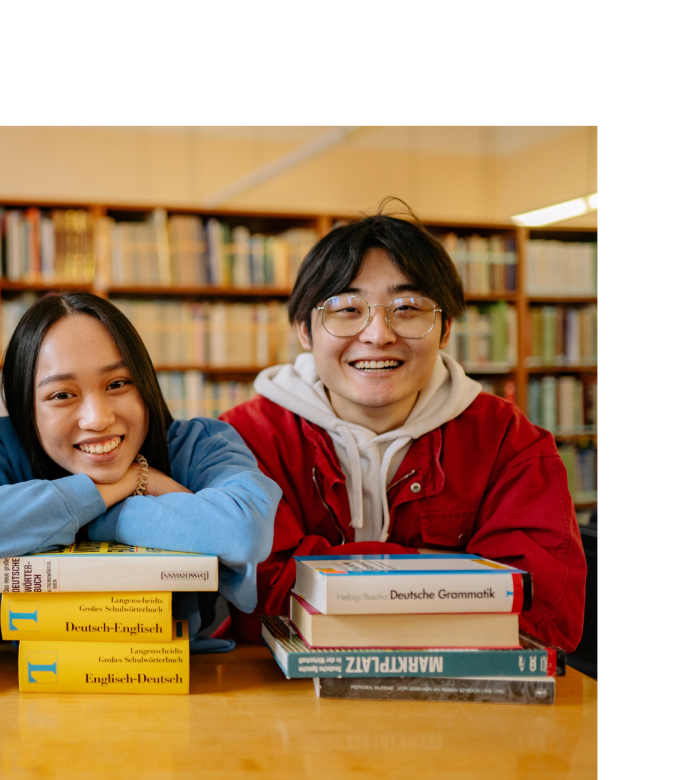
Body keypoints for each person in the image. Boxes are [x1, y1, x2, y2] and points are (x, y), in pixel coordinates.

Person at [220, 203, 586, 652]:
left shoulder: (509, 443)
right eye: (346, 308)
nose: (377, 334)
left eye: (408, 308)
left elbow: (539, 615)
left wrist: (329, 577)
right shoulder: (242, 440)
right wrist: (447, 573)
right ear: (305, 331)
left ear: (445, 328)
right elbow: (249, 599)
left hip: (463, 707)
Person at [0, 292, 281, 653]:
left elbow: (244, 530)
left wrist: (92, 519)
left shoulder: (200, 443)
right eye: (61, 395)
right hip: (18, 682)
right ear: (26, 406)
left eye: (117, 384)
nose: (98, 419)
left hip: (181, 678)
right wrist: (128, 483)